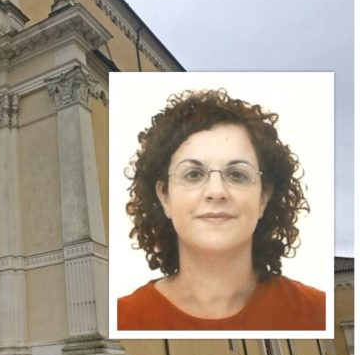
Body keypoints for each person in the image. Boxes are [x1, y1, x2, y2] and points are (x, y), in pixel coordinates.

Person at [117, 89, 324, 330]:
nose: (216, 192)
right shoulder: (124, 318)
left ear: (263, 197)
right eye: (193, 174)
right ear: (164, 196)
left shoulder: (318, 311)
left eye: (237, 174)